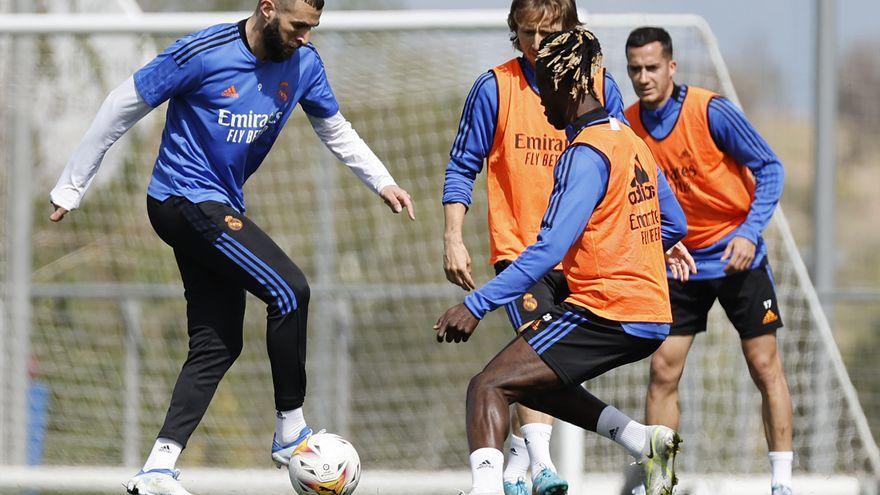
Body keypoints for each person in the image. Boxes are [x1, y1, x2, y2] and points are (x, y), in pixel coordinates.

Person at [48, 1, 413, 494]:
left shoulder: (304, 64)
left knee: (219, 343)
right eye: (298, 24)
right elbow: (122, 103)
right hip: (181, 198)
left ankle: (158, 467)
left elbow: (333, 126)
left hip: (217, 205)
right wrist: (72, 187)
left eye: (313, 27)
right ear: (267, 9)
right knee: (290, 291)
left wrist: (382, 181)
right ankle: (289, 433)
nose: (306, 36)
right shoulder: (205, 51)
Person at [436, 27, 692, 495]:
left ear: (569, 86)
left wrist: (474, 306)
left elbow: (549, 250)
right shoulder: (632, 140)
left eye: (547, 86)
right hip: (648, 311)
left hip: (608, 309)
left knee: (487, 386)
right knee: (529, 382)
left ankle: (487, 488)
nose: (541, 100)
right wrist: (628, 247)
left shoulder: (584, 154)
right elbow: (674, 223)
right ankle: (642, 440)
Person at [441, 2, 629, 493]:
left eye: (549, 34)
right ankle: (544, 465)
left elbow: (627, 163)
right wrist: (453, 236)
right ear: (514, 32)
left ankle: (518, 465)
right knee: (535, 344)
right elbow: (463, 165)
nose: (538, 45)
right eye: (528, 34)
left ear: (570, 32)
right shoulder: (494, 87)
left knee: (545, 365)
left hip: (587, 258)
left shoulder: (601, 88)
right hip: (522, 253)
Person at [623, 26, 792, 495]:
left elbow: (771, 167)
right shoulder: (629, 123)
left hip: (739, 258)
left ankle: (781, 483)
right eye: (635, 69)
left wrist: (748, 231)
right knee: (662, 369)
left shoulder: (710, 111)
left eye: (652, 67)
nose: (643, 77)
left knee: (764, 365)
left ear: (671, 67)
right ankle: (659, 483)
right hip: (681, 264)